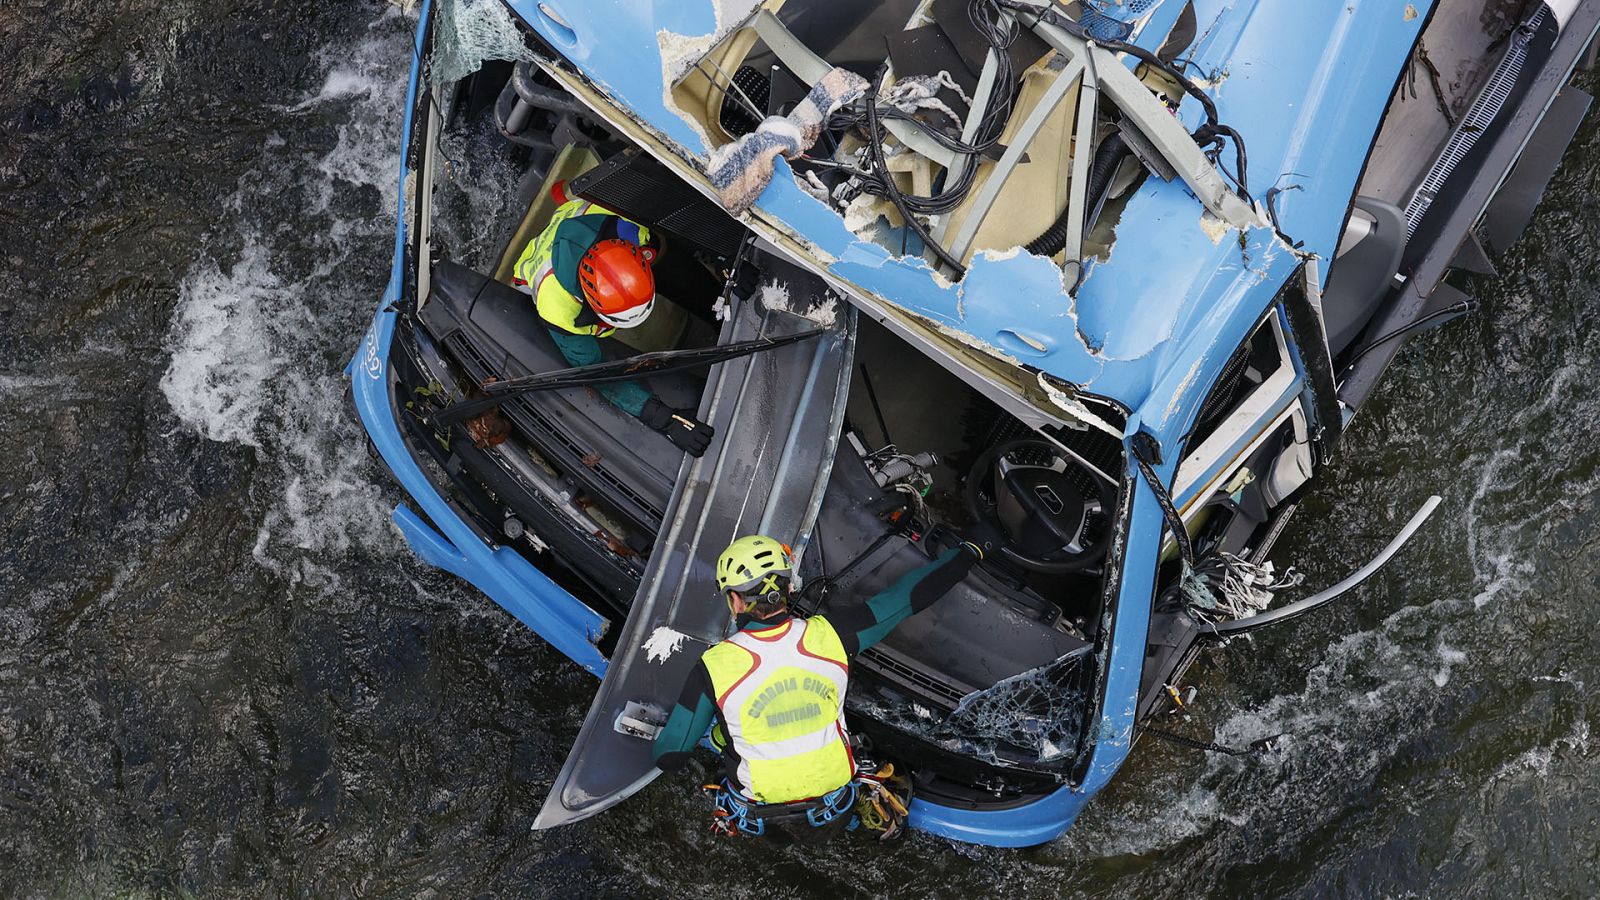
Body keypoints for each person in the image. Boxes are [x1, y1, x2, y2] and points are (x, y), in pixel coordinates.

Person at [651, 532, 988, 840]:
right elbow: (904, 599)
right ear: (788, 588)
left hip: (765, 822)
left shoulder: (714, 665)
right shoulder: (834, 635)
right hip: (835, 809)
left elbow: (670, 756)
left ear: (736, 601)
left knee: (724, 734)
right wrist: (968, 552)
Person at [509, 181, 712, 457]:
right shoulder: (555, 307)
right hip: (533, 269)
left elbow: (669, 241)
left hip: (579, 217)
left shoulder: (627, 227)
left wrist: (718, 258)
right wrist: (663, 419)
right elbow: (597, 373)